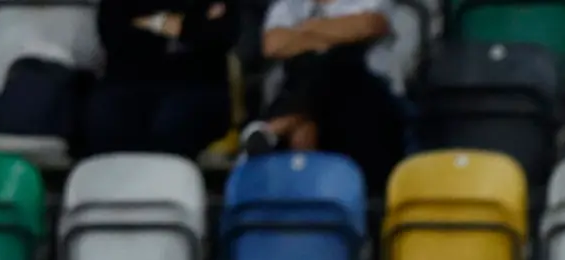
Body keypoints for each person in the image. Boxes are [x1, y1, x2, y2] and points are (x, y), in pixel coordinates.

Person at [244, 0, 406, 193]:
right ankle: (293, 125)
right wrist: (331, 35)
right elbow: (273, 44)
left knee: (339, 62)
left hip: (369, 96)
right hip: (319, 100)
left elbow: (369, 25)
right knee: (315, 70)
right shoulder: (288, 5)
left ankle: (278, 128)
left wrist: (306, 30)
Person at [88, 0, 240, 158]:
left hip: (196, 82)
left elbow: (222, 36)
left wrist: (148, 24)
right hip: (132, 78)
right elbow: (113, 35)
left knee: (172, 121)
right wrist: (164, 24)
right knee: (105, 113)